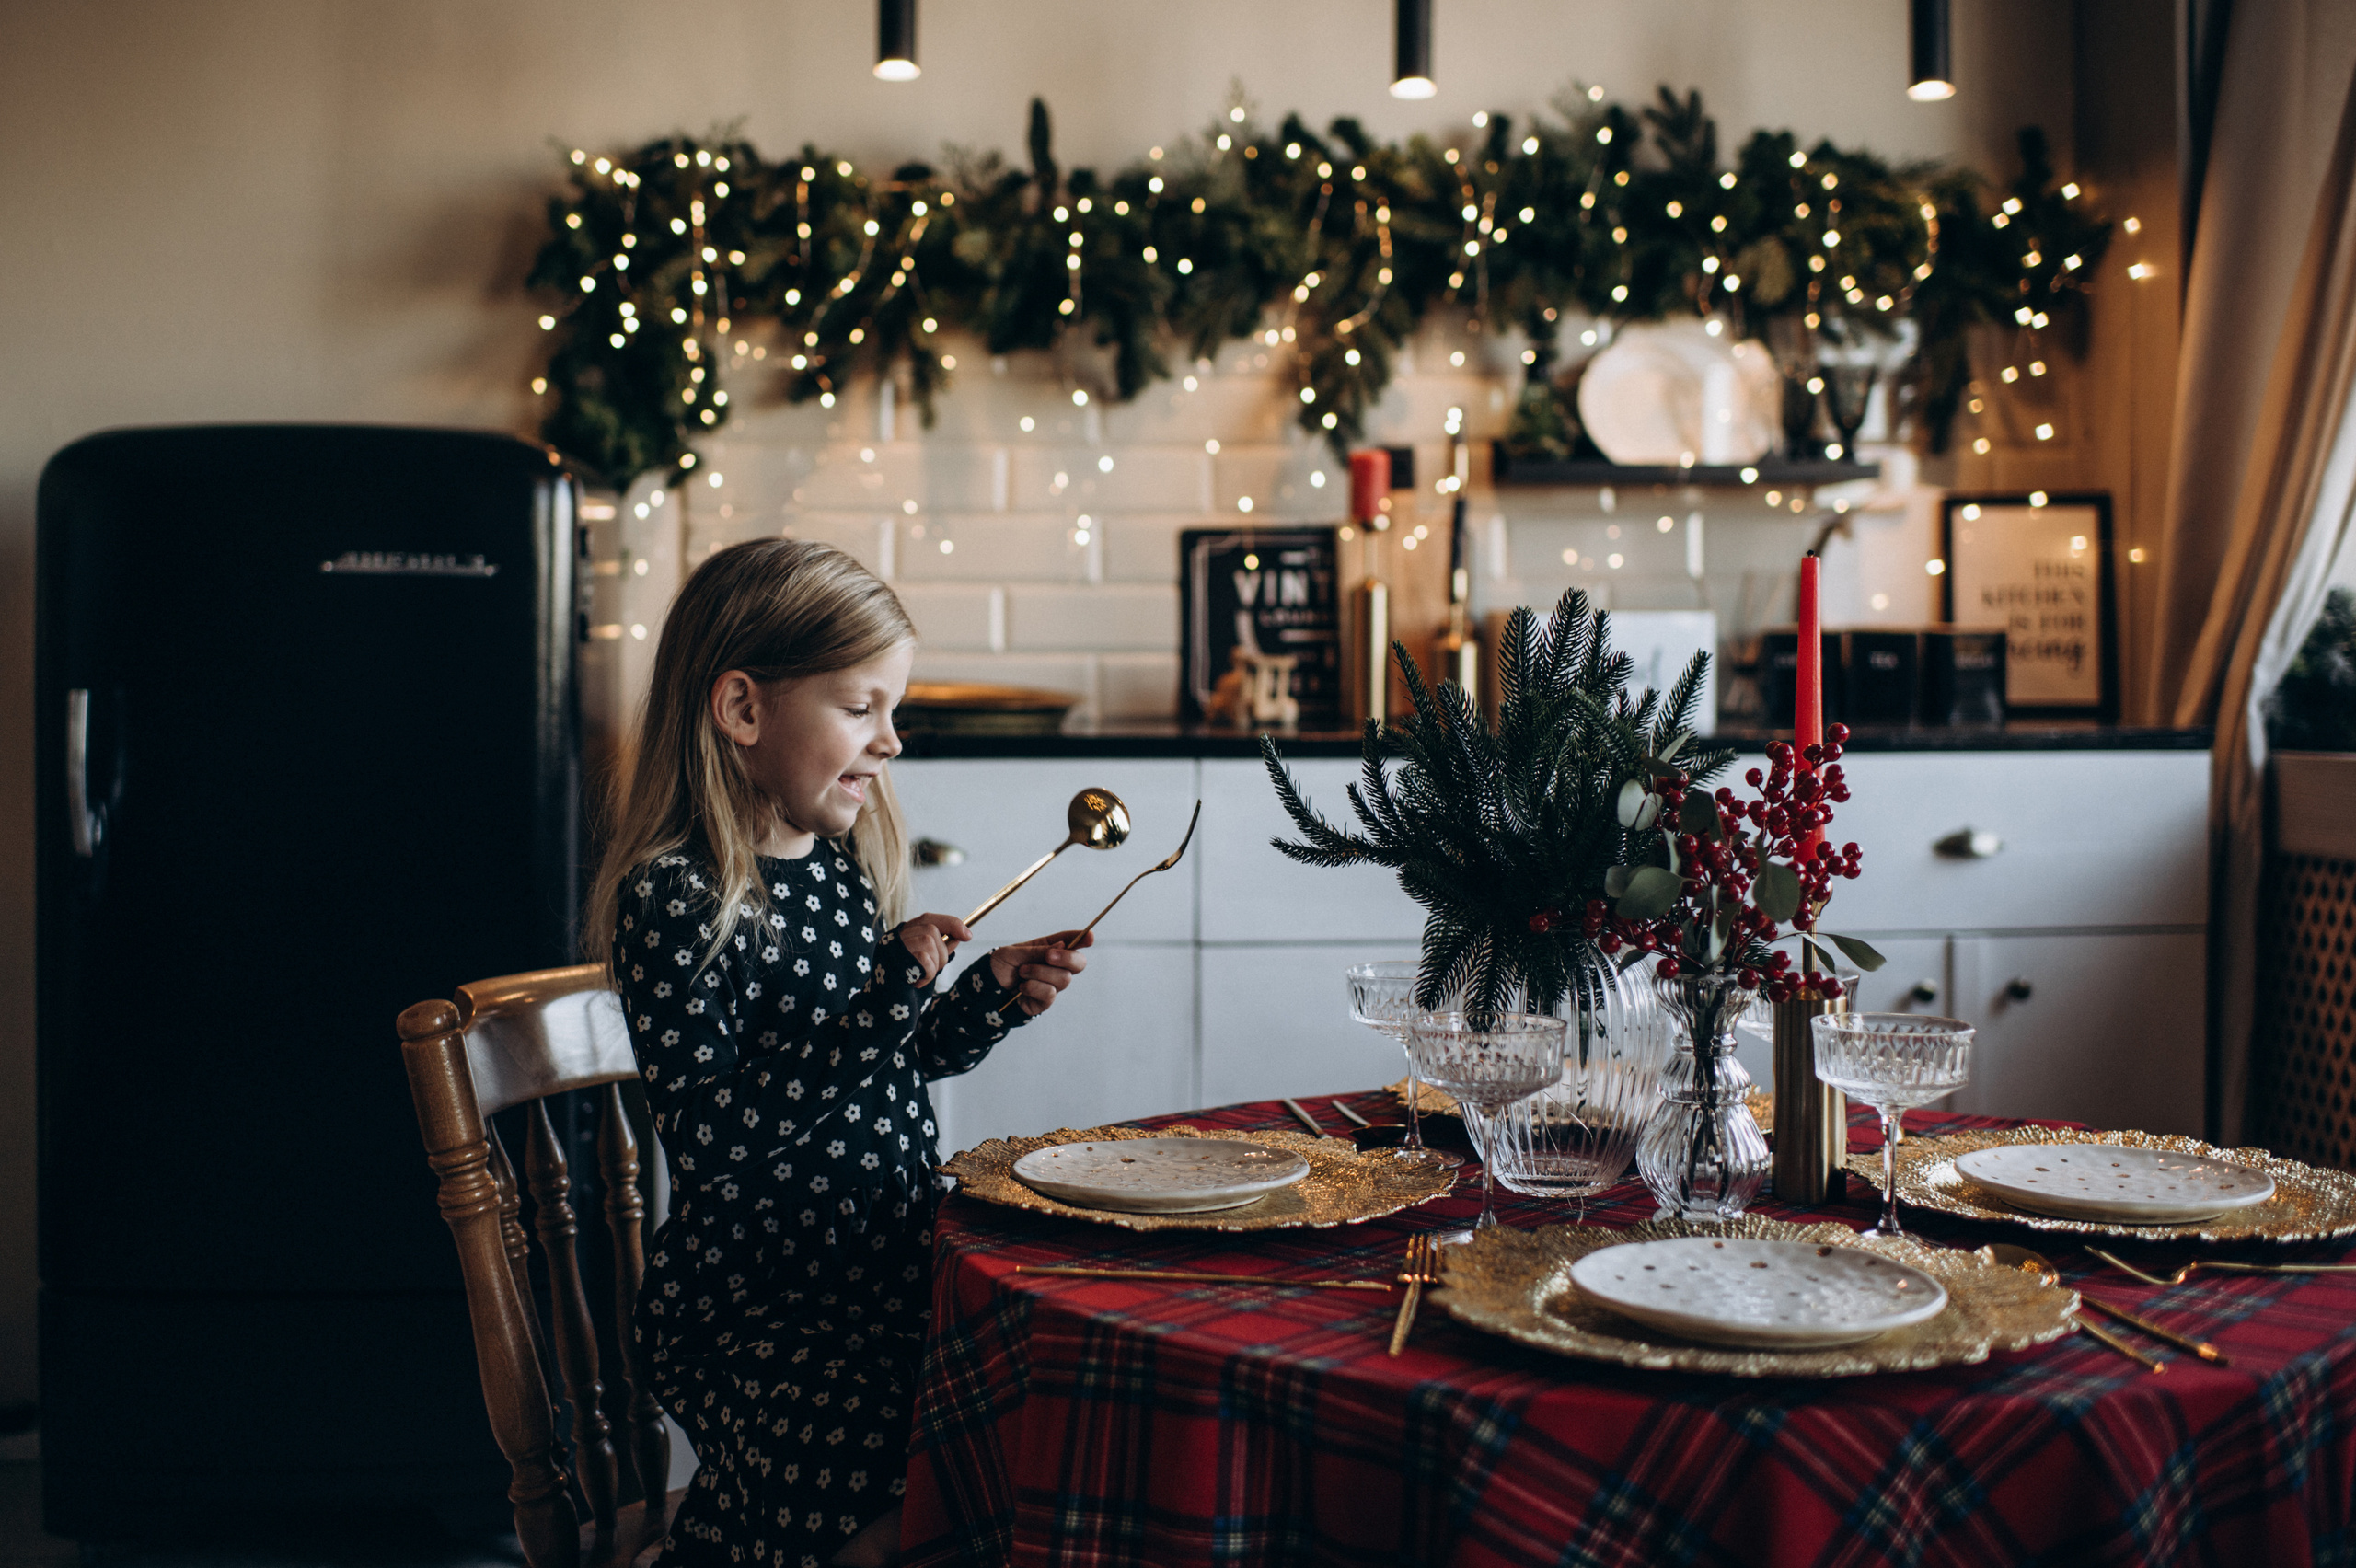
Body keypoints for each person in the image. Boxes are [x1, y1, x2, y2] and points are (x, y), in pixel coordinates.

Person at [585, 538, 1090, 1567]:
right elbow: (723, 1137)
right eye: (863, 708)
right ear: (742, 710)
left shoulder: (843, 865)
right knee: (879, 1520)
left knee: (1034, 1428)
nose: (892, 742)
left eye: (892, 712)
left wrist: (984, 1003)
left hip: (885, 1264)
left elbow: (880, 1071)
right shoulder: (675, 899)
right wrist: (888, 999)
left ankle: (726, 1542)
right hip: (762, 1302)